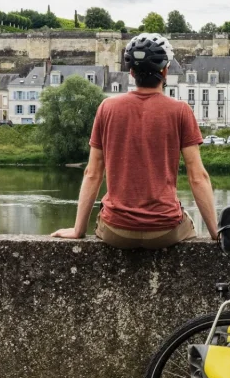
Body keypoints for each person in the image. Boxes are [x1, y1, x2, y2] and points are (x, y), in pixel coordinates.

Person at [51, 33, 218, 247]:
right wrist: (215, 233)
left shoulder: (107, 108)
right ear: (165, 71)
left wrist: (78, 230)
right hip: (164, 230)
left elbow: (92, 173)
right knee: (189, 222)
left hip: (115, 230)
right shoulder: (181, 111)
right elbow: (198, 177)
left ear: (131, 73)